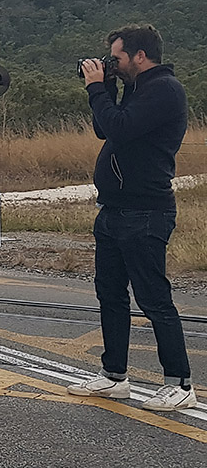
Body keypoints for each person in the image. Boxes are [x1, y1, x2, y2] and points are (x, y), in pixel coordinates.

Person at [69, 24, 197, 411]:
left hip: (145, 211)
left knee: (154, 298)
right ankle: (113, 376)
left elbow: (121, 129)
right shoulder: (138, 89)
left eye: (118, 59)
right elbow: (103, 128)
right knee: (110, 294)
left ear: (140, 56)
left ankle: (180, 383)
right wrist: (105, 88)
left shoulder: (164, 91)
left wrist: (96, 88)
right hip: (114, 209)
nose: (114, 64)